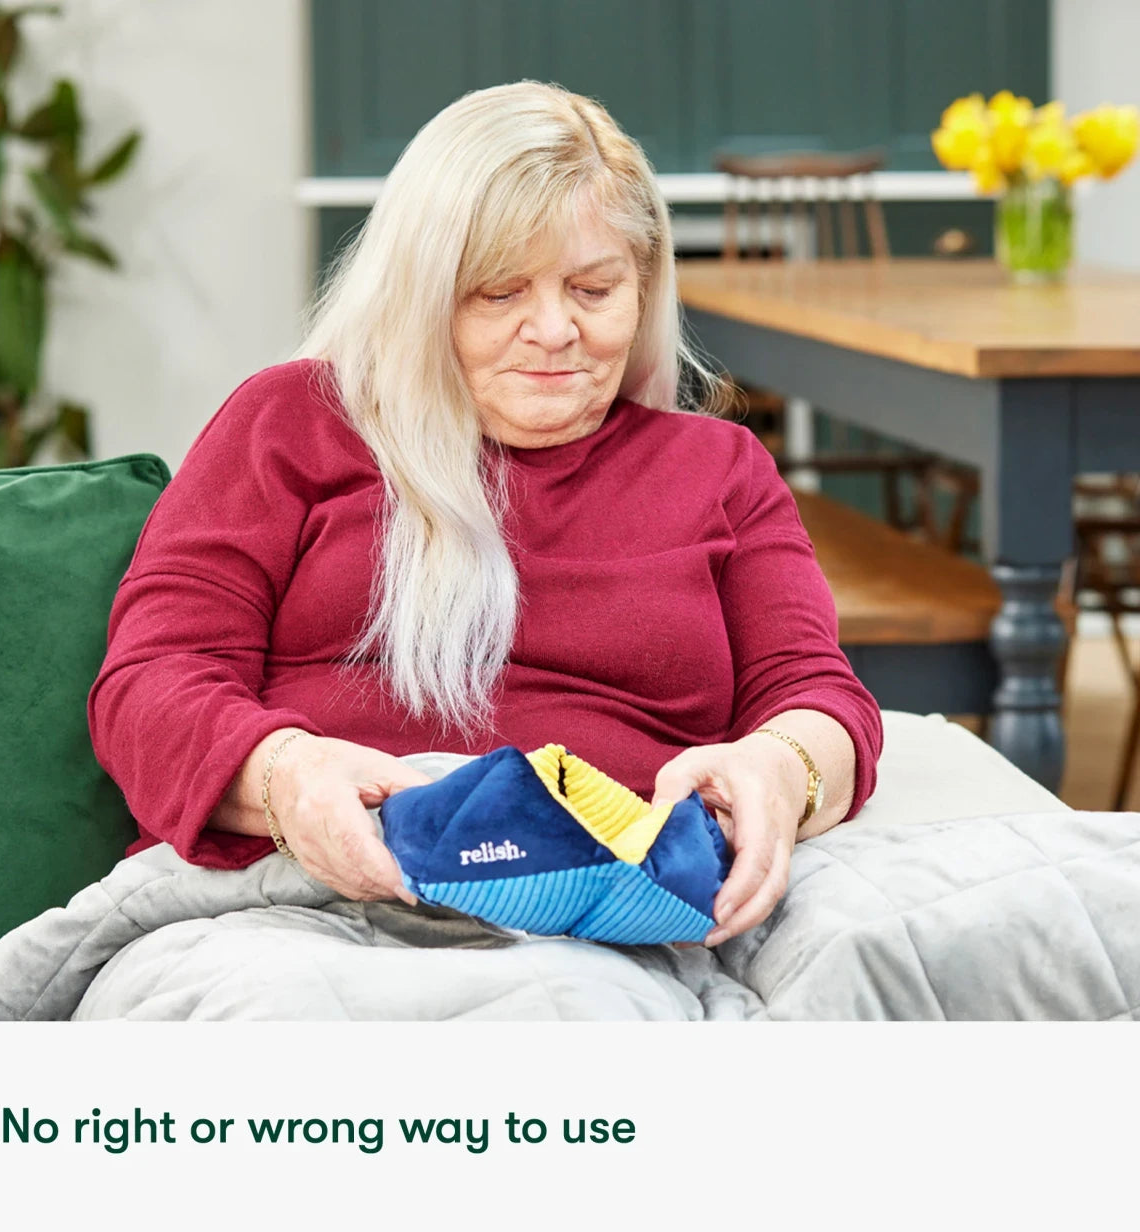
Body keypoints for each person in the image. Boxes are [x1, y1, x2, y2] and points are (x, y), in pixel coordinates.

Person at [88, 81, 883, 949]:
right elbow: (150, 682)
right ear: (420, 292)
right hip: (312, 900)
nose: (554, 329)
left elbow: (814, 693)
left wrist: (781, 767)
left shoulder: (720, 469)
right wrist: (286, 778)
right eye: (498, 293)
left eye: (593, 288)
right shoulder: (289, 422)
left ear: (644, 288)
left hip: (622, 913)